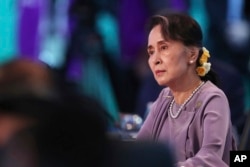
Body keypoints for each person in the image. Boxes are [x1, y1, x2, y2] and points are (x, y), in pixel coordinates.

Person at [136, 13, 237, 167]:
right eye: (151, 52)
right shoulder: (165, 98)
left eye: (163, 48)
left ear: (192, 55)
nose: (155, 59)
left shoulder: (213, 99)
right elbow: (140, 148)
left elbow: (210, 159)